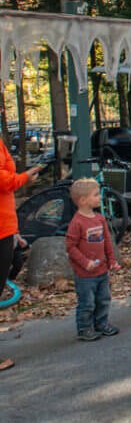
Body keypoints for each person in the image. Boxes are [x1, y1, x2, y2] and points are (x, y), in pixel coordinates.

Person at [64, 178, 121, 340]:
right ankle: (85, 328)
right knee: (87, 302)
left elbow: (107, 241)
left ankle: (101, 324)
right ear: (83, 200)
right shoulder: (77, 223)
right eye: (95, 195)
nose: (100, 198)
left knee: (103, 299)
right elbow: (70, 247)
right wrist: (84, 262)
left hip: (101, 269)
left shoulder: (99, 219)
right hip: (85, 274)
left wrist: (111, 260)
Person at [1, 138, 40, 370]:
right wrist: (24, 178)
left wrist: (14, 231)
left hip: (5, 227)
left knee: (14, 263)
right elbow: (3, 180)